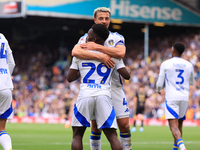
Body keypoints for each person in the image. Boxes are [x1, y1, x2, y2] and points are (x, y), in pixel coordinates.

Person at [72, 7, 132, 150]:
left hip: (115, 87)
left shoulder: (117, 37)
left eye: (107, 18)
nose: (104, 21)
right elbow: (75, 51)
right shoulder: (85, 37)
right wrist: (102, 56)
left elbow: (121, 52)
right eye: (101, 18)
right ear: (95, 20)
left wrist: (97, 48)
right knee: (96, 126)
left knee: (124, 125)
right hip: (96, 86)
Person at [156, 42, 194, 150]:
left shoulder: (166, 63)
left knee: (173, 126)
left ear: (173, 50)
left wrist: (159, 90)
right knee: (179, 125)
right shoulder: (189, 64)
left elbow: (159, 83)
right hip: (184, 97)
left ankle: (182, 148)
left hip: (172, 97)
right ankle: (175, 148)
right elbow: (191, 82)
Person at [0, 33, 15, 150]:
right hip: (5, 86)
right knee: (1, 129)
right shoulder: (2, 37)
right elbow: (12, 63)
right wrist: (4, 78)